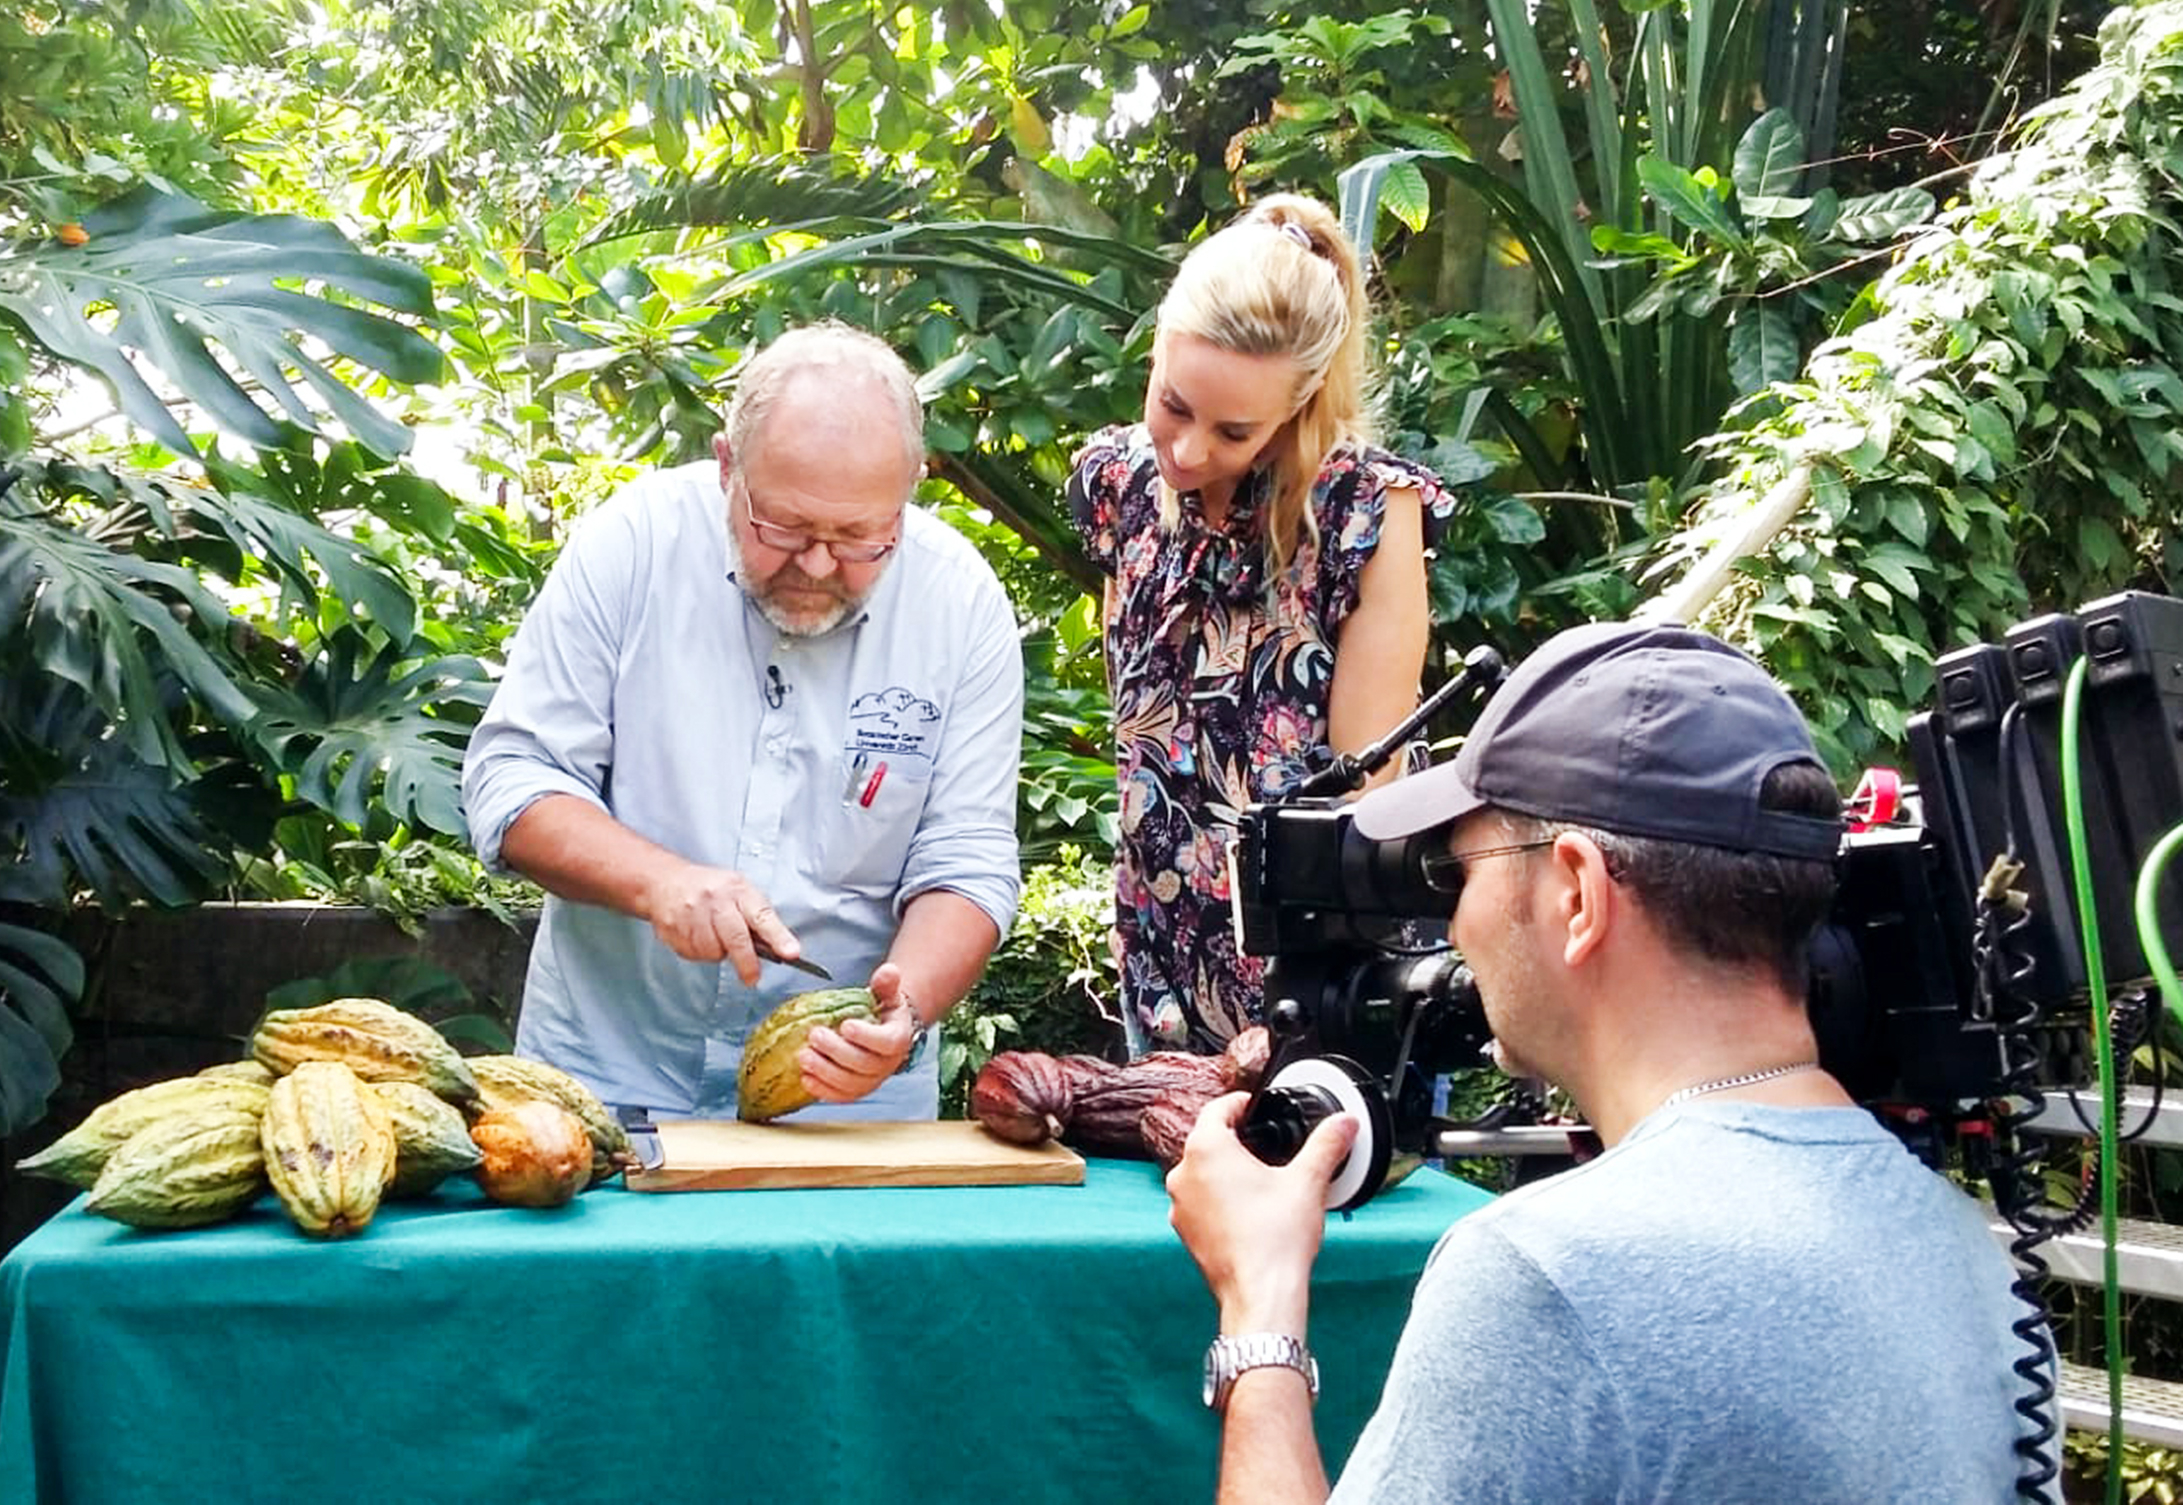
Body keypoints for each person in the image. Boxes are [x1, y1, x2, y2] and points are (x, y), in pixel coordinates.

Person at [1165, 621, 2048, 1503]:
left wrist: (1260, 1301)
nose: (1456, 927)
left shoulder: (1544, 1271)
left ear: (1577, 893)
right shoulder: (1961, 1249)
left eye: (1456, 875)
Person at [461, 322, 1024, 1120]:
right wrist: (660, 883)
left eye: (861, 536)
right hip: (605, 1080)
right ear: (728, 466)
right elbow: (512, 781)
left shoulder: (960, 603)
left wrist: (908, 1008)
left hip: (845, 1106)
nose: (820, 565)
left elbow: (967, 859)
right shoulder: (632, 545)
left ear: (910, 487)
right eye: (784, 529)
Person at [1067, 193, 1455, 1056]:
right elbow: (1138, 725)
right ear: (1160, 341)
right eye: (1173, 404)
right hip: (1162, 948)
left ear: (1300, 401)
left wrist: (1310, 1019)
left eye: (1233, 430)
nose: (1190, 450)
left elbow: (1370, 793)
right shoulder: (1117, 486)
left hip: (1317, 967)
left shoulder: (1366, 512)